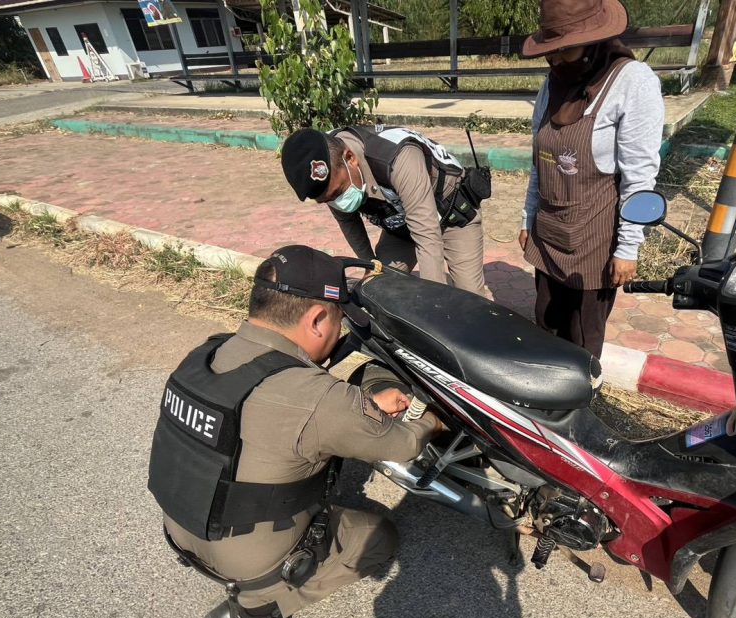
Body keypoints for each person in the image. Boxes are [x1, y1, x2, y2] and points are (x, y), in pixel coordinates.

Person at [147, 245, 443, 618]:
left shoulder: (204, 354)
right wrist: (432, 420)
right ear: (318, 318)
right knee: (378, 537)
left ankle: (250, 583)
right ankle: (255, 611)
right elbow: (404, 444)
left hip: (181, 528)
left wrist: (358, 408)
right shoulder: (317, 397)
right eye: (339, 320)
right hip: (247, 561)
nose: (340, 332)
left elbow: (279, 416)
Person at [518, 0, 664, 358]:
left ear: (593, 41)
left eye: (565, 50)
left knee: (582, 337)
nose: (555, 60)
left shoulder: (632, 82)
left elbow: (639, 175)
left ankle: (581, 389)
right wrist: (528, 217)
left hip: (593, 239)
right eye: (551, 51)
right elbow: (539, 163)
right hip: (548, 230)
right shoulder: (552, 84)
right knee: (546, 322)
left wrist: (628, 248)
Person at [281, 126, 489, 296]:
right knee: (379, 288)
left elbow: (427, 237)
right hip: (402, 225)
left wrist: (434, 305)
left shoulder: (397, 158)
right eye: (327, 201)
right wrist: (371, 266)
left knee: (470, 300)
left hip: (453, 215)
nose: (337, 202)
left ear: (350, 158)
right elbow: (348, 222)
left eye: (338, 192)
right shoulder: (329, 168)